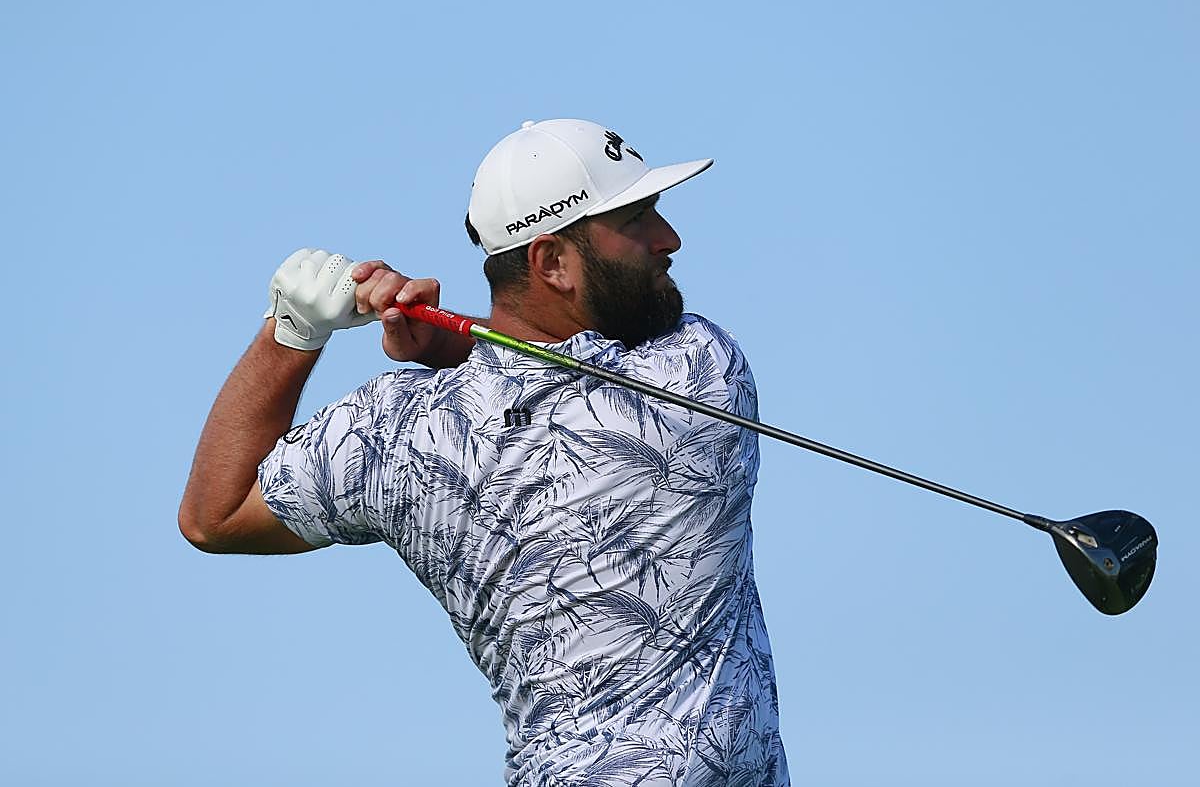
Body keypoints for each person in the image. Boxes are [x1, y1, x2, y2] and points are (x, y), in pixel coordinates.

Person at [180, 119, 790, 786]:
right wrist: (451, 343)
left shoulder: (399, 432)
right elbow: (567, 379)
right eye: (637, 220)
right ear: (551, 261)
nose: (668, 239)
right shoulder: (702, 368)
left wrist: (291, 331)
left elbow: (216, 513)